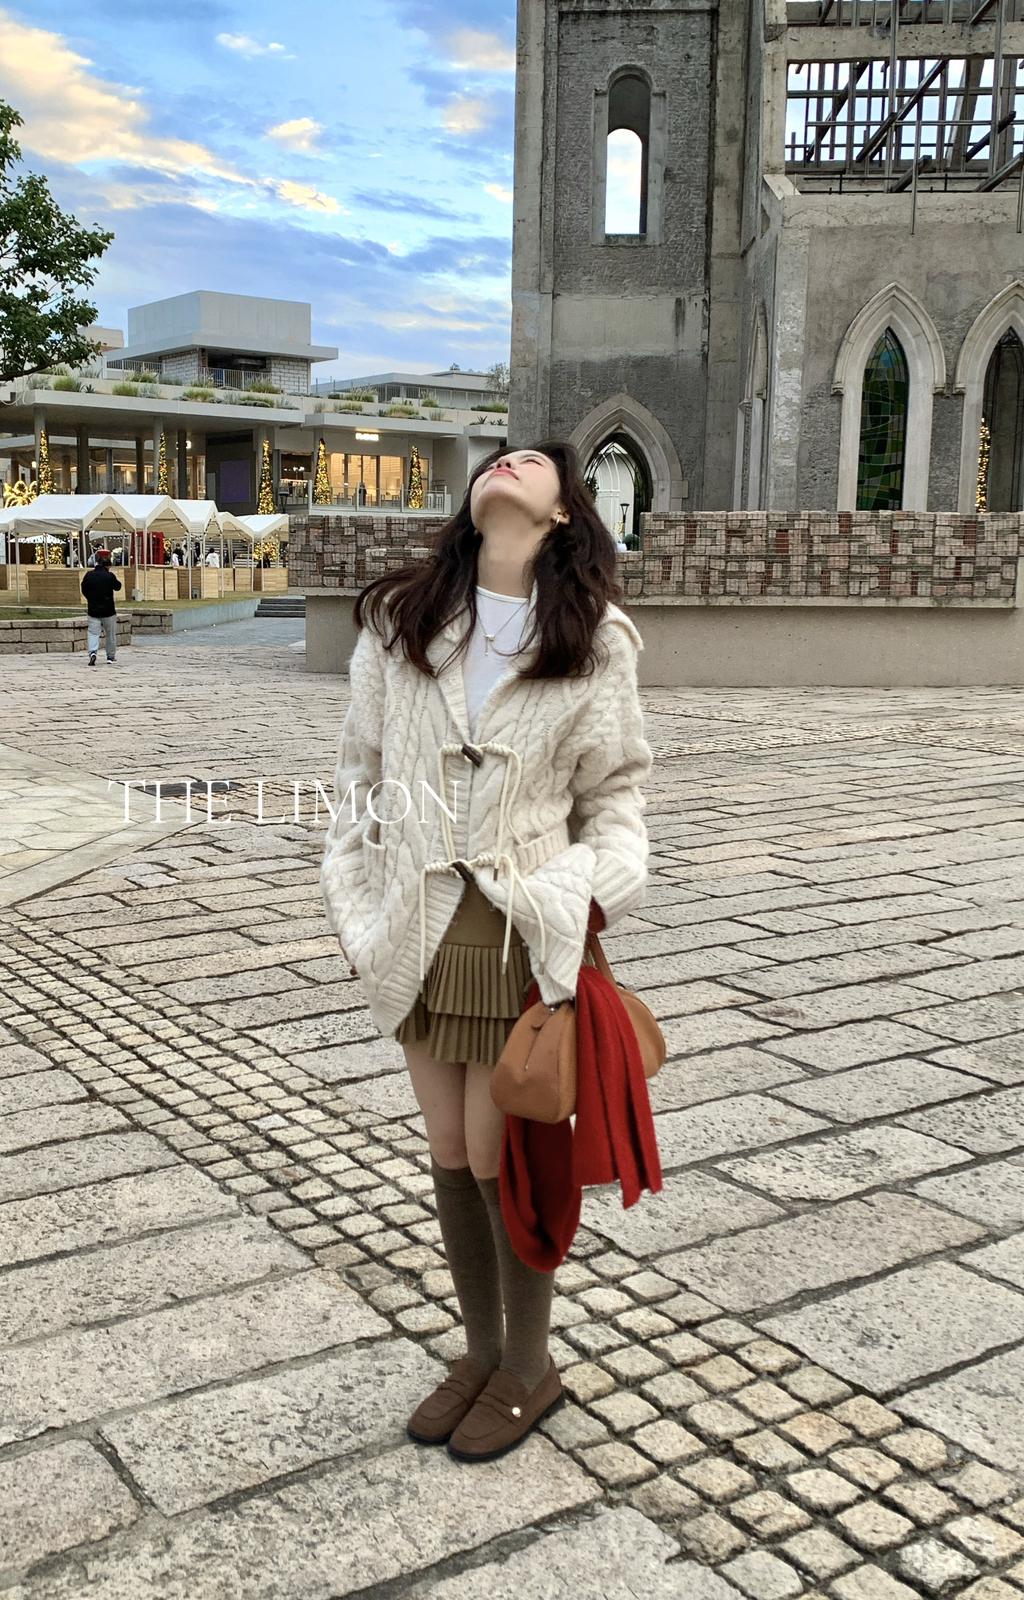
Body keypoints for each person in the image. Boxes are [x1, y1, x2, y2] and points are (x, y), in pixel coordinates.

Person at [320, 441, 652, 1464]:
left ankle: (528, 1364)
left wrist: (585, 888)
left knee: (503, 1150)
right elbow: (359, 778)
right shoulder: (403, 622)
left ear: (564, 513)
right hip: (418, 926)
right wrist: (356, 910)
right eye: (496, 458)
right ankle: (479, 1352)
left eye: (532, 461)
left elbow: (617, 795)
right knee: (451, 1152)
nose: (506, 464)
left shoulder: (594, 640)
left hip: (521, 926)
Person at [81, 546, 121, 666]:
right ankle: (110, 656)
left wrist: (90, 599)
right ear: (108, 565)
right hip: (108, 610)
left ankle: (93, 652)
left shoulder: (89, 575)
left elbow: (84, 589)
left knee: (93, 633)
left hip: (93, 609)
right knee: (110, 634)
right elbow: (118, 587)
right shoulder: (109, 576)